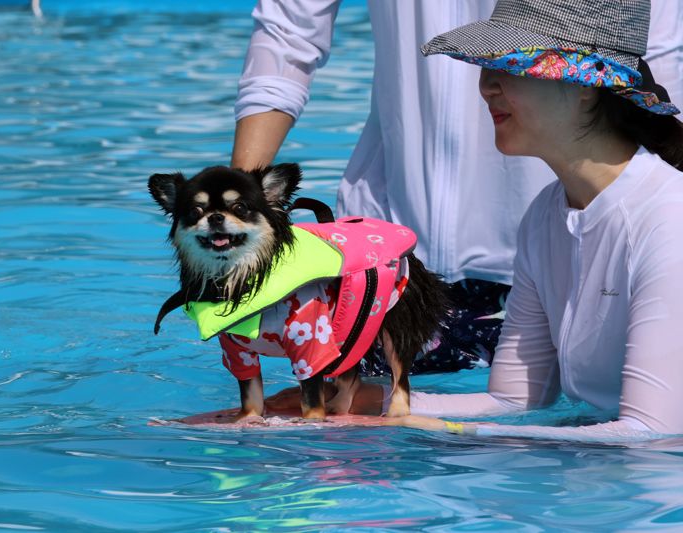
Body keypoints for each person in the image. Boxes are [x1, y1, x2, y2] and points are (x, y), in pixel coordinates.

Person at [257, 0, 683, 442]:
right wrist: (365, 400)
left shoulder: (670, 220)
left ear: (586, 87)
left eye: (511, 64)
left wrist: (454, 430)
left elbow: (650, 433)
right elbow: (515, 401)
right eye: (486, 64)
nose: (486, 86)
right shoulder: (545, 216)